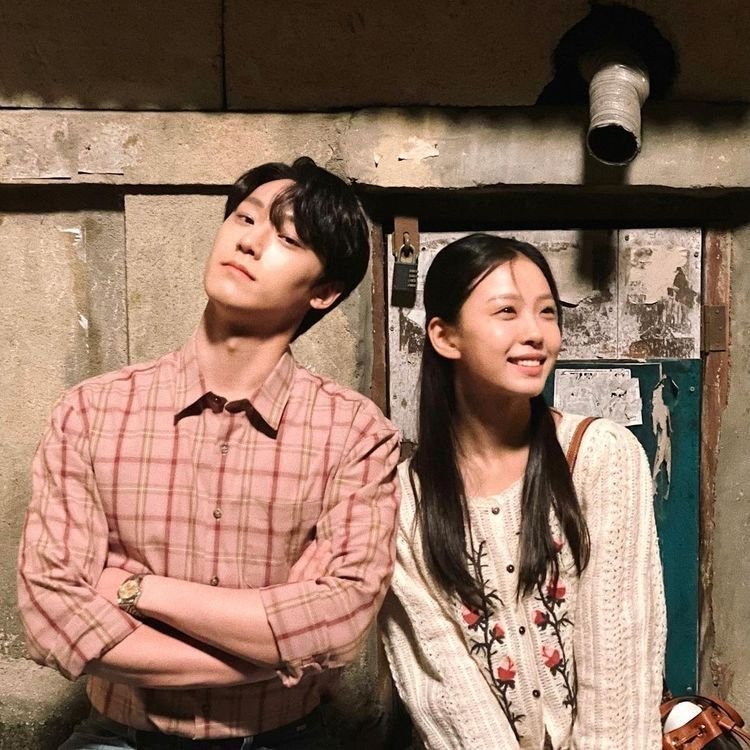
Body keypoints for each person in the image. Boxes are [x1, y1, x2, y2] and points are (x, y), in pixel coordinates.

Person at [18, 157, 400, 750]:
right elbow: (53, 612)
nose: (249, 241)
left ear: (324, 292)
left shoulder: (355, 433)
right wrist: (269, 655)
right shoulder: (91, 411)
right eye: (244, 218)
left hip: (283, 737)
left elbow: (337, 619)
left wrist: (133, 588)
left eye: (287, 239)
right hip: (119, 735)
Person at [378, 233, 666, 749]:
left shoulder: (600, 456)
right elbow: (443, 685)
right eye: (507, 311)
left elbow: (620, 656)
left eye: (547, 312)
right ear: (445, 337)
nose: (536, 333)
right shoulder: (402, 502)